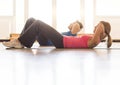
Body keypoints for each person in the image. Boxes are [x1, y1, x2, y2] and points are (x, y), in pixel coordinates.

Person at [2, 18, 112, 49]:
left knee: (38, 23)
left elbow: (101, 28)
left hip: (62, 42)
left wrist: (102, 26)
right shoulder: (93, 39)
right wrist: (101, 27)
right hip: (61, 39)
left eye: (97, 26)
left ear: (101, 30)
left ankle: (20, 42)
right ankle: (21, 42)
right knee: (31, 20)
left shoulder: (95, 41)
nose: (95, 27)